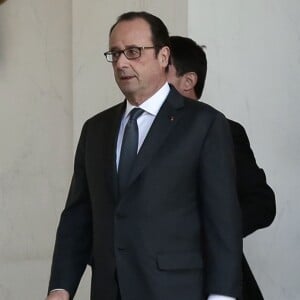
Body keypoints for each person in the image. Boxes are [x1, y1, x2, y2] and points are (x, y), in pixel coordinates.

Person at [46, 12, 243, 300]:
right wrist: (60, 288)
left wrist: (222, 296)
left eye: (133, 52)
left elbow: (223, 224)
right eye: (115, 54)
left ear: (163, 56)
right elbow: (78, 218)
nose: (122, 62)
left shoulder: (204, 125)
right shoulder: (96, 130)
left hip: (176, 291)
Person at [167, 35, 276, 300]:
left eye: (163, 70)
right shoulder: (132, 133)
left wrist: (205, 233)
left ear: (188, 81)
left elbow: (262, 204)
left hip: (214, 283)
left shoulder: (223, 131)